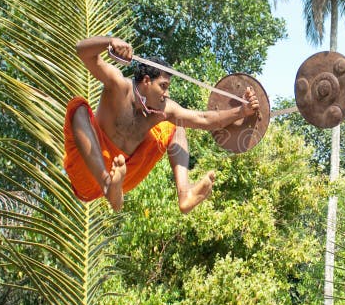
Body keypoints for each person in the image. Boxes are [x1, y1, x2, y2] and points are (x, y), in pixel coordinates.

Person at [63, 36, 259, 213]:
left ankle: (185, 195)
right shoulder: (117, 85)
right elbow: (82, 51)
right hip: (87, 170)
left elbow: (204, 119)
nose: (167, 94)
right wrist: (109, 41)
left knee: (174, 124)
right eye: (163, 86)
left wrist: (242, 111)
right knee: (78, 106)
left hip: (124, 174)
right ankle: (107, 183)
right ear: (147, 81)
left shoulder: (164, 110)